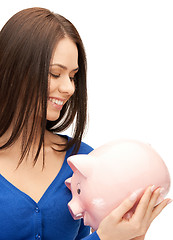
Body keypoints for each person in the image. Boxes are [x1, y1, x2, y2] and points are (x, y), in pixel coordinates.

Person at [0, 7, 171, 240]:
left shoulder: (84, 162)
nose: (69, 88)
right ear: (15, 70)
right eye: (55, 73)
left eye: (72, 76)